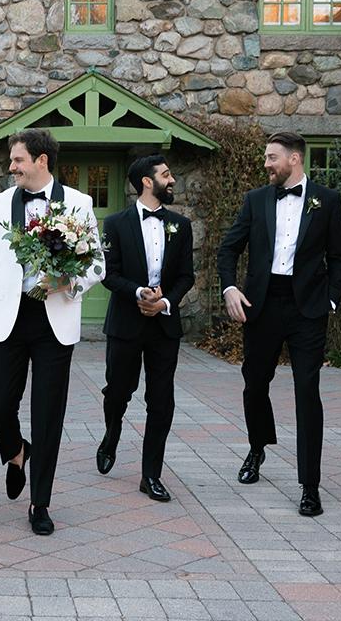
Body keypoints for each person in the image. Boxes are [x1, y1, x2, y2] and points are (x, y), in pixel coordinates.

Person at [0, 128, 104, 536]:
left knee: (47, 415)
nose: (12, 167)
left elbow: (97, 264)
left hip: (54, 324)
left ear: (41, 160)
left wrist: (68, 282)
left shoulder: (79, 203)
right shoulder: (2, 203)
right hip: (10, 319)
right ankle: (16, 450)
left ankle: (40, 502)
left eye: (18, 160)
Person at [217, 131, 341, 517]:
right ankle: (257, 447)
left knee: (307, 390)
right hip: (262, 305)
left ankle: (310, 485)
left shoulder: (328, 200)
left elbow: (339, 257)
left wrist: (331, 299)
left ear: (294, 159)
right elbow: (229, 248)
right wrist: (229, 287)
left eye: (272, 157)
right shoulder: (255, 200)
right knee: (255, 384)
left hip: (308, 308)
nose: (266, 164)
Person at [96, 155, 194, 502]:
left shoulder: (181, 225)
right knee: (117, 392)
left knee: (162, 401)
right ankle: (112, 433)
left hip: (164, 326)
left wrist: (164, 302)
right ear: (147, 182)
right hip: (126, 323)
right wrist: (139, 292)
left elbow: (186, 276)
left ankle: (151, 474)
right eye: (166, 175)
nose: (172, 179)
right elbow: (108, 273)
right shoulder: (115, 223)